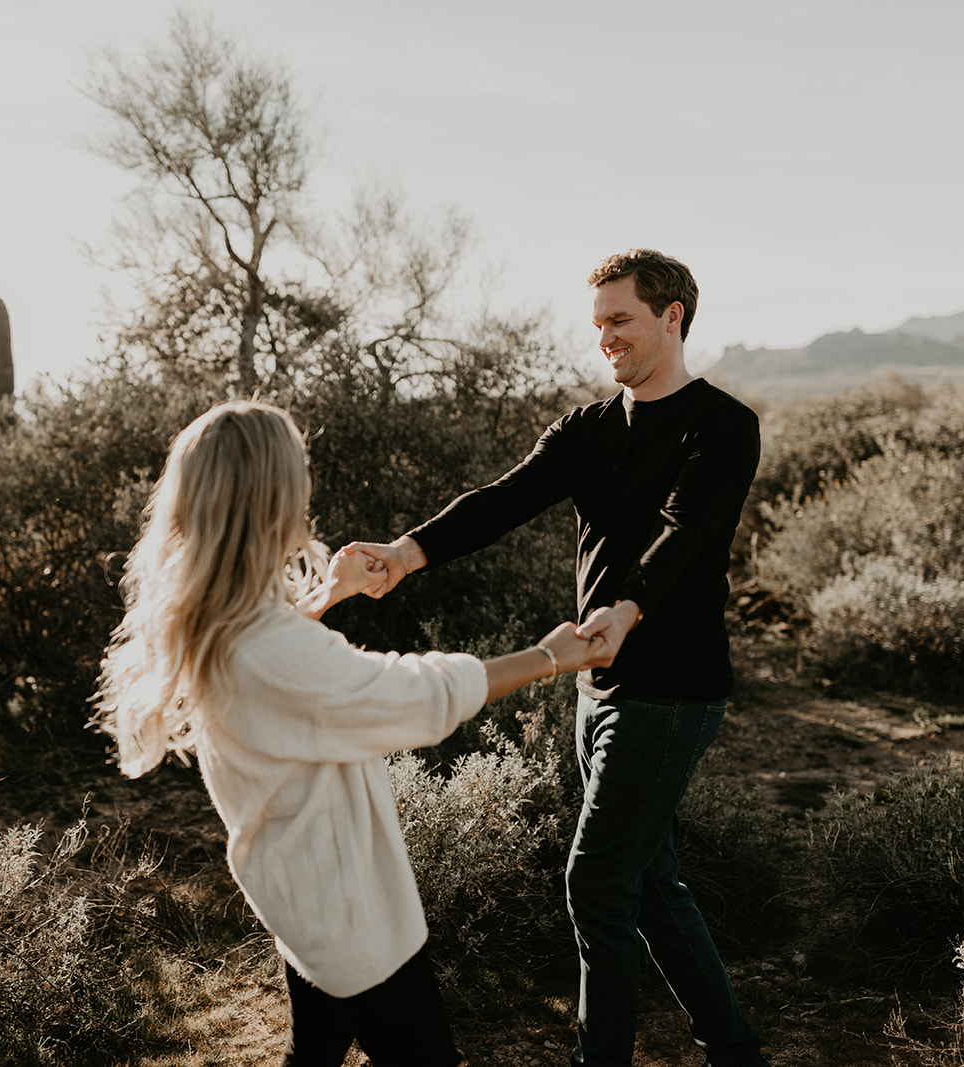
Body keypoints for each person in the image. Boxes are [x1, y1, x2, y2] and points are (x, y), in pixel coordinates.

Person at [347, 250, 770, 1067]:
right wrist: (405, 553)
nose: (604, 337)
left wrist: (629, 605)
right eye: (597, 323)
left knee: (599, 885)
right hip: (597, 684)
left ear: (672, 315)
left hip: (672, 689)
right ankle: (734, 1049)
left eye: (621, 320)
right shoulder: (586, 429)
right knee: (648, 883)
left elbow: (687, 528)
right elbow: (503, 499)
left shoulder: (722, 425)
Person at [93, 400, 605, 1067]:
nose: (306, 491)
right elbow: (420, 694)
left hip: (297, 889)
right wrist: (550, 657)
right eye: (297, 475)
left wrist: (326, 595)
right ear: (270, 498)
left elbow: (278, 663)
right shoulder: (267, 645)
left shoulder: (224, 619)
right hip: (351, 913)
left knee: (315, 1053)